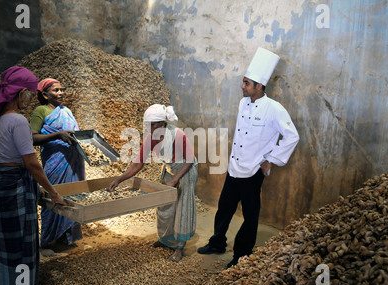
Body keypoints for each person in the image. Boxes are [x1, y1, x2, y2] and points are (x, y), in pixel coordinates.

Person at [197, 47, 300, 268]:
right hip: (234, 167)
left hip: (253, 171)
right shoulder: (243, 103)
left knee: (250, 216)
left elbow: (292, 136)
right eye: (243, 82)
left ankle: (241, 254)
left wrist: (270, 160)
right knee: (224, 207)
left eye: (246, 83)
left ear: (259, 86)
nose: (242, 86)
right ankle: (217, 243)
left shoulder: (274, 109)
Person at [0, 66, 66, 285]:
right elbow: (32, 163)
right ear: (19, 94)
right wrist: (53, 192)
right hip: (15, 187)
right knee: (22, 240)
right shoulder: (18, 121)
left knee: (4, 240)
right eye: (28, 94)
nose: (30, 99)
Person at [107, 104, 198, 262]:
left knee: (181, 208)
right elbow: (137, 164)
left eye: (153, 124)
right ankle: (165, 239)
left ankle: (179, 248)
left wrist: (175, 180)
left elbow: (190, 159)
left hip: (185, 170)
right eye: (148, 125)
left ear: (163, 123)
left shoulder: (178, 135)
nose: (150, 127)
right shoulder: (151, 138)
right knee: (164, 205)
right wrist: (119, 179)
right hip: (170, 169)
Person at [30, 78, 85, 251]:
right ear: (45, 95)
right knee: (53, 197)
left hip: (73, 161)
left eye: (62, 90)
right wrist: (56, 135)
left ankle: (64, 237)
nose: (61, 93)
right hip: (55, 161)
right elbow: (32, 138)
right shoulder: (40, 111)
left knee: (71, 197)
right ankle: (46, 241)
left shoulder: (66, 110)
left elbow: (74, 134)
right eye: (55, 90)